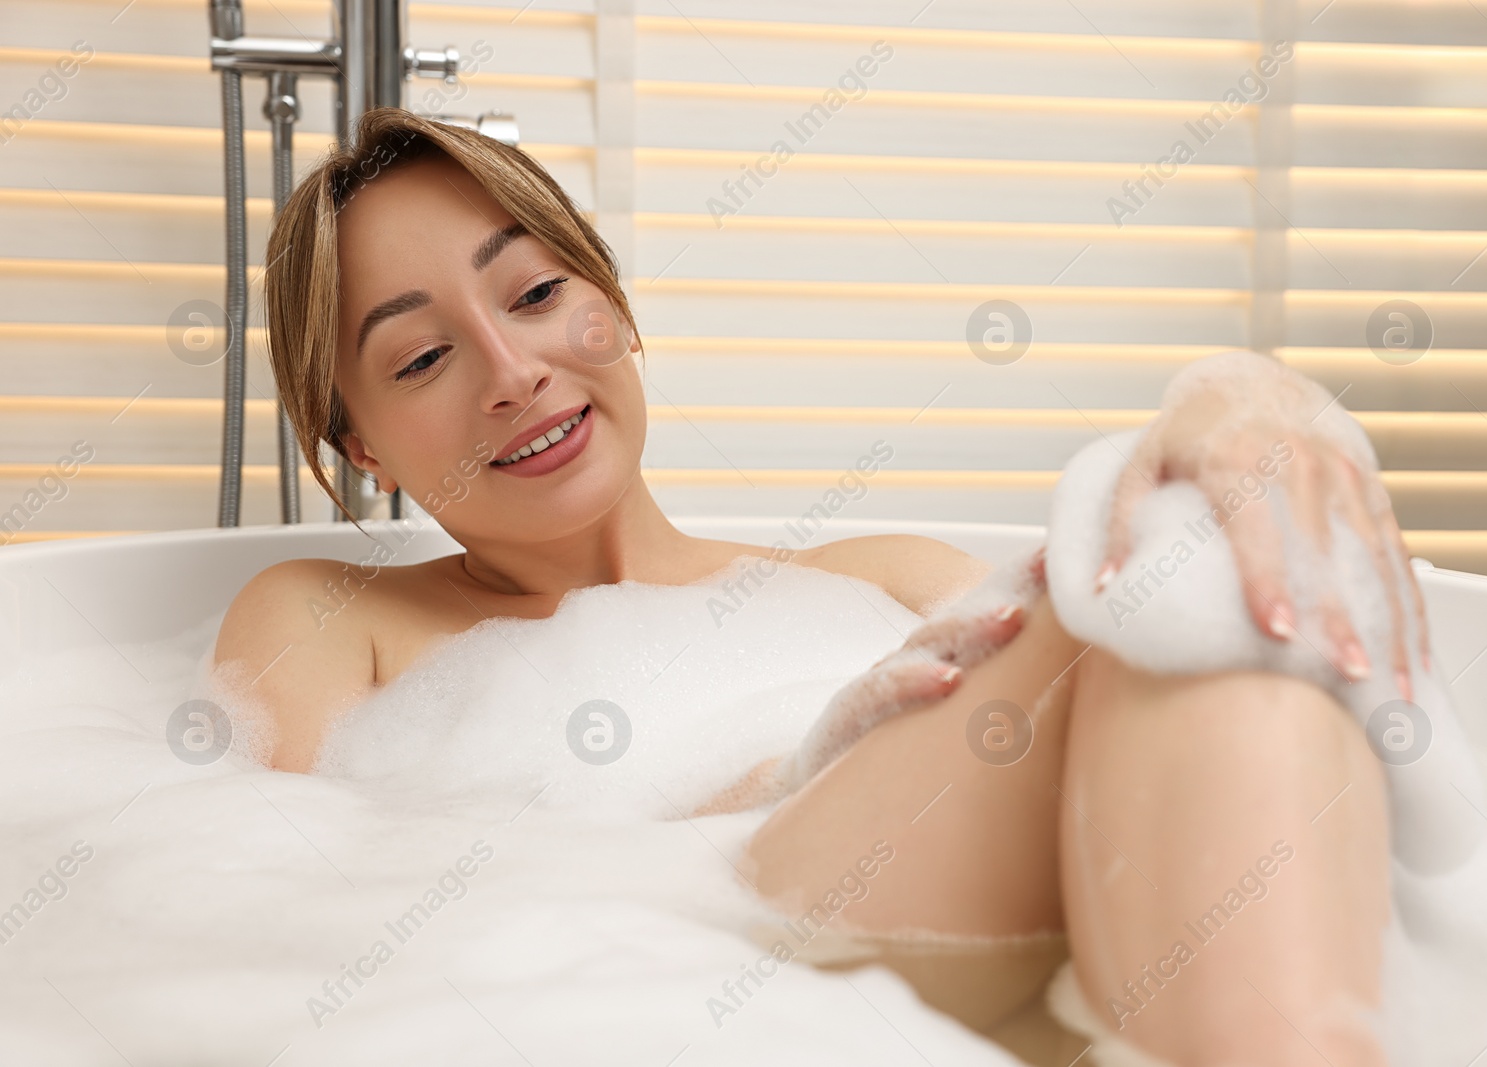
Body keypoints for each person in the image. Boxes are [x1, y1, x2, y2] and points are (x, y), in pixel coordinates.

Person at [214, 108, 1422, 1066]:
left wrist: (1236, 400)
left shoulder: (882, 578)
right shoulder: (330, 617)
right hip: (678, 974)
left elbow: (1115, 656)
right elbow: (325, 922)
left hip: (998, 960)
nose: (512, 369)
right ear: (359, 444)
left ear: (612, 306)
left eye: (534, 292)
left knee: (1177, 569)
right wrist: (779, 781)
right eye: (422, 355)